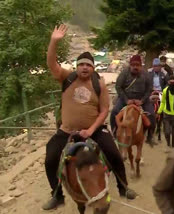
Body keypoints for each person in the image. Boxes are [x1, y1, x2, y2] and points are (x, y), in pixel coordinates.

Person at [43, 25, 135, 210]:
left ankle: (123, 187)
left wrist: (91, 130)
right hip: (67, 130)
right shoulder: (66, 77)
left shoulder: (98, 83)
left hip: (94, 129)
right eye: (81, 64)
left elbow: (103, 111)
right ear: (76, 67)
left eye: (88, 65)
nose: (85, 68)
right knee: (50, 158)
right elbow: (51, 64)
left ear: (93, 68)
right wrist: (54, 41)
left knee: (114, 154)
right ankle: (57, 194)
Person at [110, 55, 156, 145]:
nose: (135, 67)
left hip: (141, 99)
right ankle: (115, 133)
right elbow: (118, 87)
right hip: (126, 98)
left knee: (152, 115)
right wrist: (126, 100)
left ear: (141, 65)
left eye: (137, 65)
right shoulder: (124, 73)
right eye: (133, 65)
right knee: (114, 112)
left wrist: (142, 100)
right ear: (130, 65)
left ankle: (150, 136)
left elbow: (149, 89)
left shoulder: (146, 74)